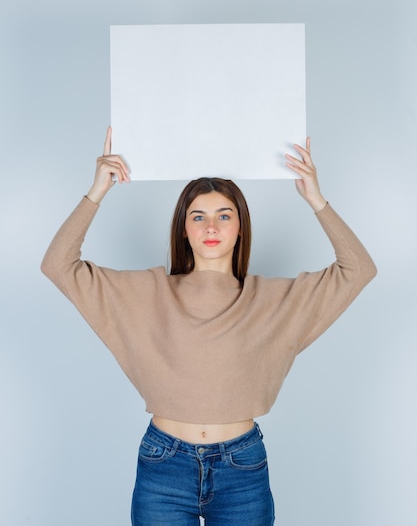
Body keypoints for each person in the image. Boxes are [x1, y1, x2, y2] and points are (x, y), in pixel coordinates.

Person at [41, 127, 376, 525]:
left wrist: (316, 199)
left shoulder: (274, 299)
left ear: (240, 226)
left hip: (242, 468)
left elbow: (359, 270)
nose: (211, 227)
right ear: (184, 227)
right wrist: (96, 192)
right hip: (163, 466)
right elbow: (58, 265)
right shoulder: (148, 292)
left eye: (224, 215)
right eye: (198, 216)